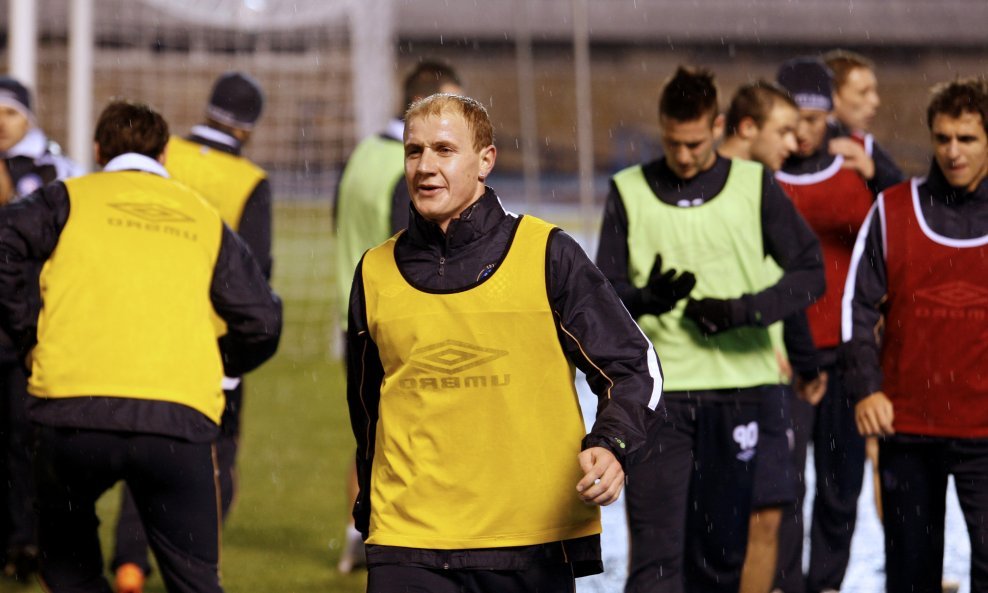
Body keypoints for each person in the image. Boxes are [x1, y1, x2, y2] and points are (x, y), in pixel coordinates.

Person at [347, 92, 663, 593]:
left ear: (486, 160)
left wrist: (612, 444)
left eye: (444, 150)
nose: (425, 166)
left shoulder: (546, 253)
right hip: (409, 540)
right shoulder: (373, 272)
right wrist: (369, 506)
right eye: (414, 151)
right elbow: (366, 411)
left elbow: (632, 365)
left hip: (527, 543)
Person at [0, 99, 282, 593]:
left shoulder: (67, 197)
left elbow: (6, 242)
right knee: (195, 581)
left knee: (68, 570)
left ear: (97, 150)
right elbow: (263, 319)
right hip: (179, 418)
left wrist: (28, 335)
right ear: (166, 155)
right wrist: (220, 363)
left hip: (71, 411)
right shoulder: (202, 216)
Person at [596, 66, 824, 593]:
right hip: (659, 398)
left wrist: (744, 310)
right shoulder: (628, 190)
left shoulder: (754, 184)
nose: (683, 155)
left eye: (694, 143)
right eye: (673, 142)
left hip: (744, 392)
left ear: (718, 127)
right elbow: (602, 295)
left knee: (722, 553)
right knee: (655, 557)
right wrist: (643, 300)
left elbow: (810, 272)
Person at [110, 71, 272, 593]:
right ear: (248, 128)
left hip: (141, 325)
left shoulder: (163, 155)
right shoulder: (250, 181)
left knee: (143, 445)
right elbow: (254, 270)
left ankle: (130, 564)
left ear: (208, 108)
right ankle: (193, 564)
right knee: (214, 457)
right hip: (209, 340)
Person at [842, 76, 988, 593]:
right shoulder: (893, 209)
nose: (953, 151)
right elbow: (855, 306)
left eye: (967, 139)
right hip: (908, 426)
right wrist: (866, 387)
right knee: (909, 574)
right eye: (943, 137)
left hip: (984, 430)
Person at [332, 60, 461, 574]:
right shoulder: (408, 172)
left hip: (355, 312)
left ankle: (356, 534)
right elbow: (415, 254)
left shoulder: (362, 153)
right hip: (399, 316)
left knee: (372, 429)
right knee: (417, 432)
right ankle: (412, 544)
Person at [718, 80, 828, 593]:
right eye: (784, 131)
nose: (794, 143)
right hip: (721, 383)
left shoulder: (762, 192)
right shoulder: (739, 193)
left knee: (762, 516)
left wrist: (804, 360)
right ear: (748, 128)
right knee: (740, 521)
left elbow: (789, 286)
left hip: (760, 373)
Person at [0, 75, 83, 581]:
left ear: (28, 117)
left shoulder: (55, 170)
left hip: (28, 330)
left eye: (8, 113)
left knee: (26, 441)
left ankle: (27, 542)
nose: (0, 126)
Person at [823, 49, 905, 196]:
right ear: (832, 95)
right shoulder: (791, 144)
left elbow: (904, 197)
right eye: (863, 92)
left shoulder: (865, 147)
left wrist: (875, 172)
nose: (875, 101)